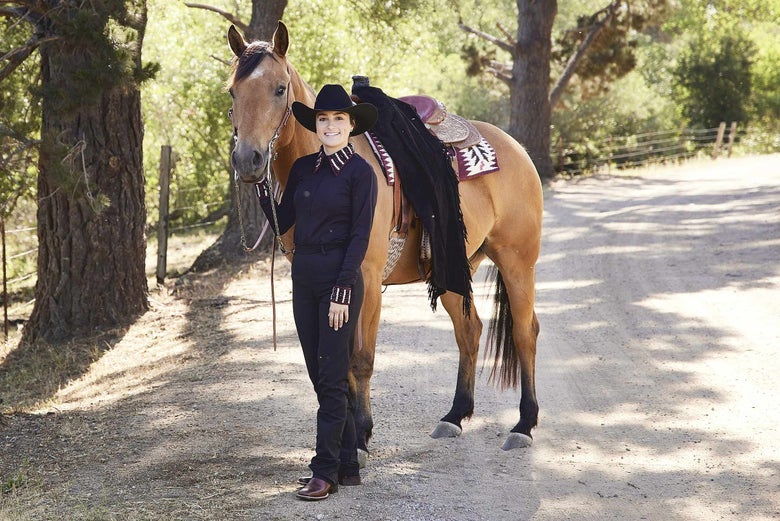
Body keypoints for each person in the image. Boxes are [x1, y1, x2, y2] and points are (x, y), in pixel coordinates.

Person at [256, 84, 378, 501]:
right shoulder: (304, 169)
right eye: (323, 119)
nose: (330, 125)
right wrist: (259, 184)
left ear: (350, 125)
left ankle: (322, 472)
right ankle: (347, 464)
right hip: (304, 277)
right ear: (317, 124)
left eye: (338, 119)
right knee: (319, 375)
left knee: (331, 376)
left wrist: (343, 289)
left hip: (338, 280)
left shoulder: (360, 172)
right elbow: (282, 220)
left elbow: (360, 237)